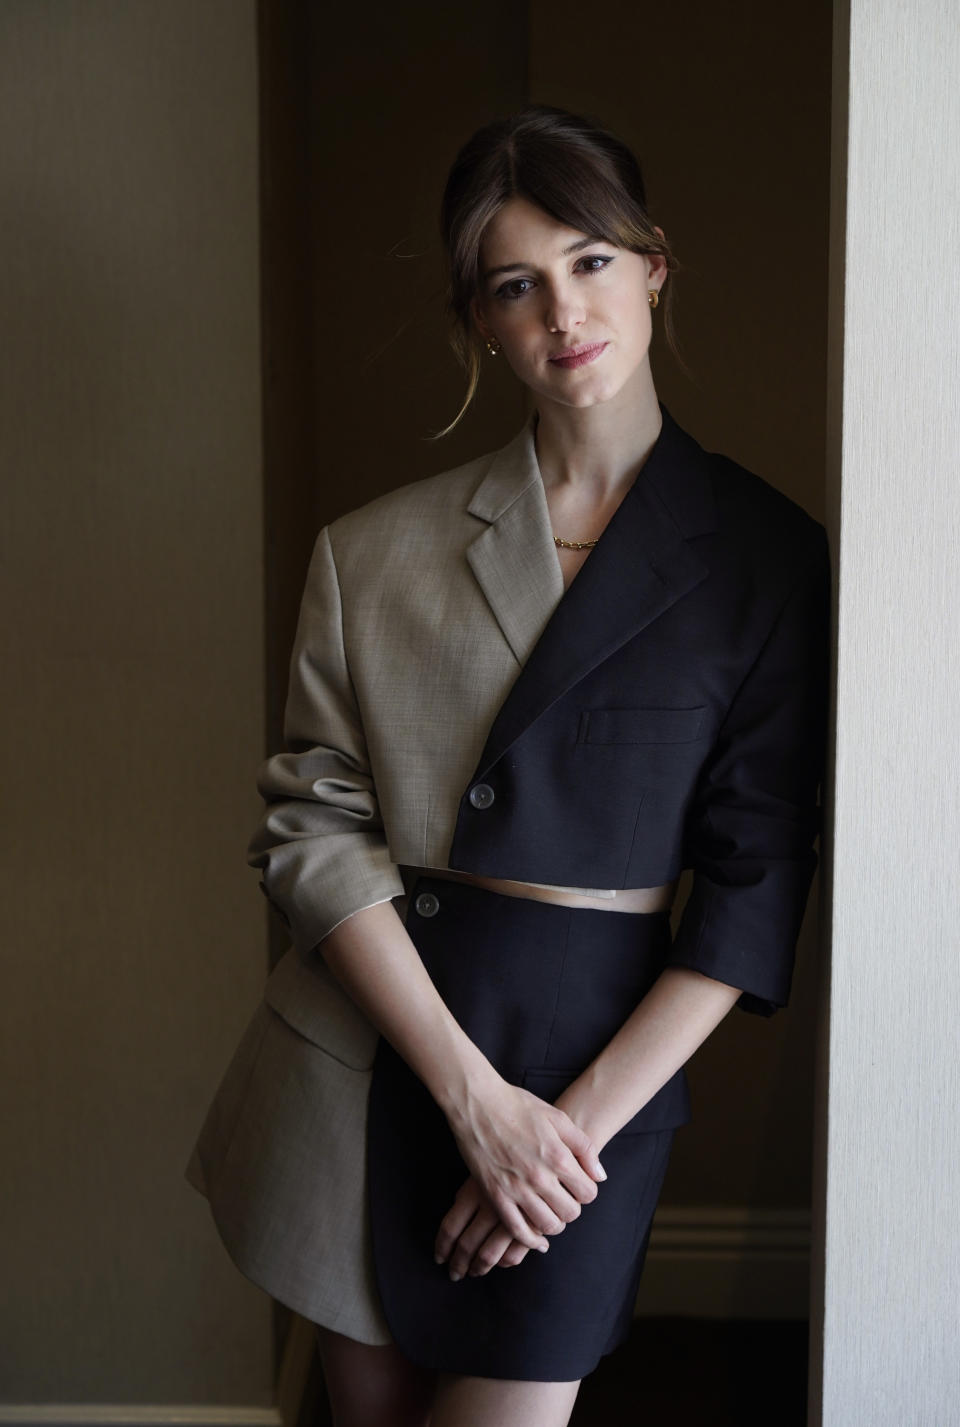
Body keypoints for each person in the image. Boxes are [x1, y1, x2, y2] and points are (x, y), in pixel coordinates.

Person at [186, 105, 829, 1427]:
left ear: (657, 266)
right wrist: (470, 1100)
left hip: (591, 1092)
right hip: (364, 1067)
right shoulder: (372, 552)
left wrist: (558, 1134)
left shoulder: (767, 558)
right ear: (477, 319)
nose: (563, 311)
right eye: (514, 283)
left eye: (592, 260)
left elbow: (754, 887)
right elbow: (312, 825)